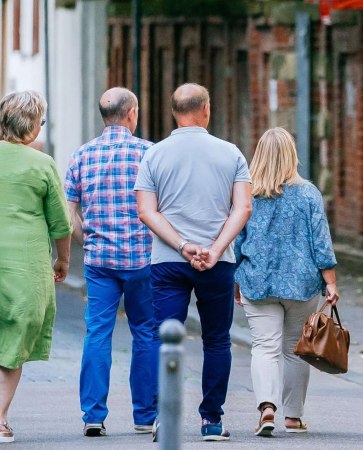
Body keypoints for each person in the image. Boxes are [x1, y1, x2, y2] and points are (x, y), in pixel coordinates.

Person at [134, 83, 252, 441]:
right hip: (218, 263)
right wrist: (215, 249)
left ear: (174, 112)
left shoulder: (154, 155)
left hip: (168, 260)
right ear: (206, 109)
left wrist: (183, 245)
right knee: (217, 341)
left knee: (164, 337)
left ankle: (161, 419)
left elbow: (146, 211)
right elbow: (243, 207)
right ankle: (211, 420)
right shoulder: (231, 153)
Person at [64, 87, 158, 437]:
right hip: (143, 260)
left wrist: (85, 240)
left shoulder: (82, 155)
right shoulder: (150, 153)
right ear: (132, 113)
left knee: (97, 333)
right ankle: (145, 415)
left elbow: (68, 211)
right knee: (146, 333)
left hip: (99, 260)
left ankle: (93, 414)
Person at [233, 127, 339, 437]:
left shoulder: (247, 194)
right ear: (292, 155)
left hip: (258, 281)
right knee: (295, 348)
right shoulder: (308, 193)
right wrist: (330, 281)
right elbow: (322, 241)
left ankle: (267, 408)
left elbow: (237, 240)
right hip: (301, 284)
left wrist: (235, 277)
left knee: (265, 347)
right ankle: (293, 417)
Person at [0, 90, 71, 444]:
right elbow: (61, 224)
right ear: (31, 125)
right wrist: (64, 260)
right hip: (24, 263)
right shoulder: (42, 164)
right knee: (16, 334)